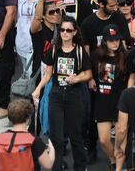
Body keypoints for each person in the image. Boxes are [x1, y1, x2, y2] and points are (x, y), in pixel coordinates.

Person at [32, 15, 92, 171]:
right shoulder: (54, 49)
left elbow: (88, 74)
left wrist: (77, 78)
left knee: (76, 136)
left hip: (75, 94)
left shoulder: (79, 51)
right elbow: (48, 74)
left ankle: (80, 167)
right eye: (62, 30)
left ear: (74, 33)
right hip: (57, 94)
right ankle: (56, 167)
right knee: (56, 137)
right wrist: (38, 89)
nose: (65, 33)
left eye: (68, 30)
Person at [0, 99, 55, 171]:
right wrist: (52, 147)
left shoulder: (0, 140)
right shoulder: (33, 140)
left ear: (10, 118)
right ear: (28, 118)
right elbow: (48, 165)